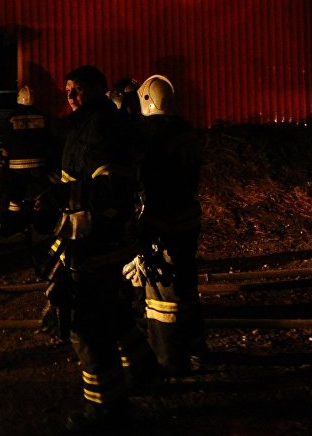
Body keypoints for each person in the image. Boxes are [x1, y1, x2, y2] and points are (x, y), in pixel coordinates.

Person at [48, 65, 157, 432]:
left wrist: (80, 214)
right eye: (67, 90)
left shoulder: (103, 126)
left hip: (93, 241)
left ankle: (106, 410)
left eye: (77, 89)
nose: (70, 96)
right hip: (92, 237)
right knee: (111, 308)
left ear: (97, 88)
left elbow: (110, 187)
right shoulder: (85, 123)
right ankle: (143, 368)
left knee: (86, 325)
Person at [126, 74, 207, 376]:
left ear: (146, 100)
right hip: (188, 218)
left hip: (161, 222)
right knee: (186, 285)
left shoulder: (150, 134)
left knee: (161, 293)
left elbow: (141, 178)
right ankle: (198, 350)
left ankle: (168, 359)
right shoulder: (184, 130)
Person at [0, 85, 55, 239]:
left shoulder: (12, 118)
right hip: (39, 164)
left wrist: (4, 158)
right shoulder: (42, 117)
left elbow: (7, 141)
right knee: (40, 196)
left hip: (17, 166)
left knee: (15, 198)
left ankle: (13, 227)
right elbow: (49, 140)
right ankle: (41, 226)